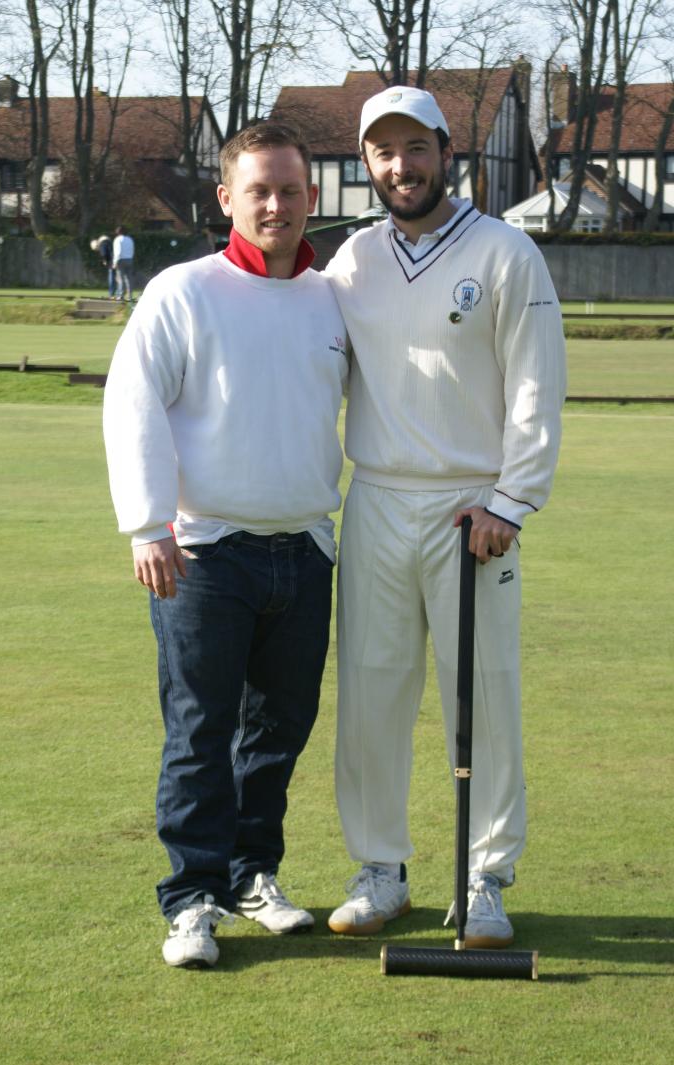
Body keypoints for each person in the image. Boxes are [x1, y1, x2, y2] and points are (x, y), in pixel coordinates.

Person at [324, 85, 567, 947]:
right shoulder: (350, 262)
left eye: (415, 147)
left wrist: (512, 498)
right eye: (384, 152)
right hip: (378, 499)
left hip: (474, 508)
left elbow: (537, 385)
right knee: (371, 692)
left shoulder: (506, 252)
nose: (402, 166)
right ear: (367, 164)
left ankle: (485, 876)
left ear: (445, 149)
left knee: (486, 695)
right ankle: (380, 868)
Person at [103, 123, 348, 969]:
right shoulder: (184, 291)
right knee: (201, 732)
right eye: (259, 191)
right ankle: (191, 897)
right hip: (205, 553)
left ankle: (253, 873)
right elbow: (132, 404)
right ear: (226, 199)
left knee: (278, 731)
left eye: (290, 189)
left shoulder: (330, 296)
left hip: (306, 549)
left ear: (312, 196)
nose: (276, 204)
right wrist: (147, 522)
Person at [112, 225, 135, 301]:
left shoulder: (118, 240)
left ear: (118, 232)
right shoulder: (130, 239)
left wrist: (115, 262)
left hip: (121, 259)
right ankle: (130, 296)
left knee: (120, 278)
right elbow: (132, 250)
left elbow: (118, 251)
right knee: (129, 278)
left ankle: (120, 295)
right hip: (129, 259)